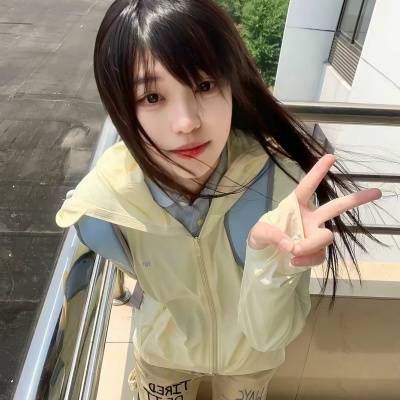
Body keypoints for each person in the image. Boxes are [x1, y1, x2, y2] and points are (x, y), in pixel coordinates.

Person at [56, 0, 382, 398]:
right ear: (121, 106)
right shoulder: (104, 206)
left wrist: (272, 266)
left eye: (205, 85)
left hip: (249, 362)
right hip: (164, 355)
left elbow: (269, 337)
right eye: (153, 97)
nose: (187, 122)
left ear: (232, 82)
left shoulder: (280, 186)